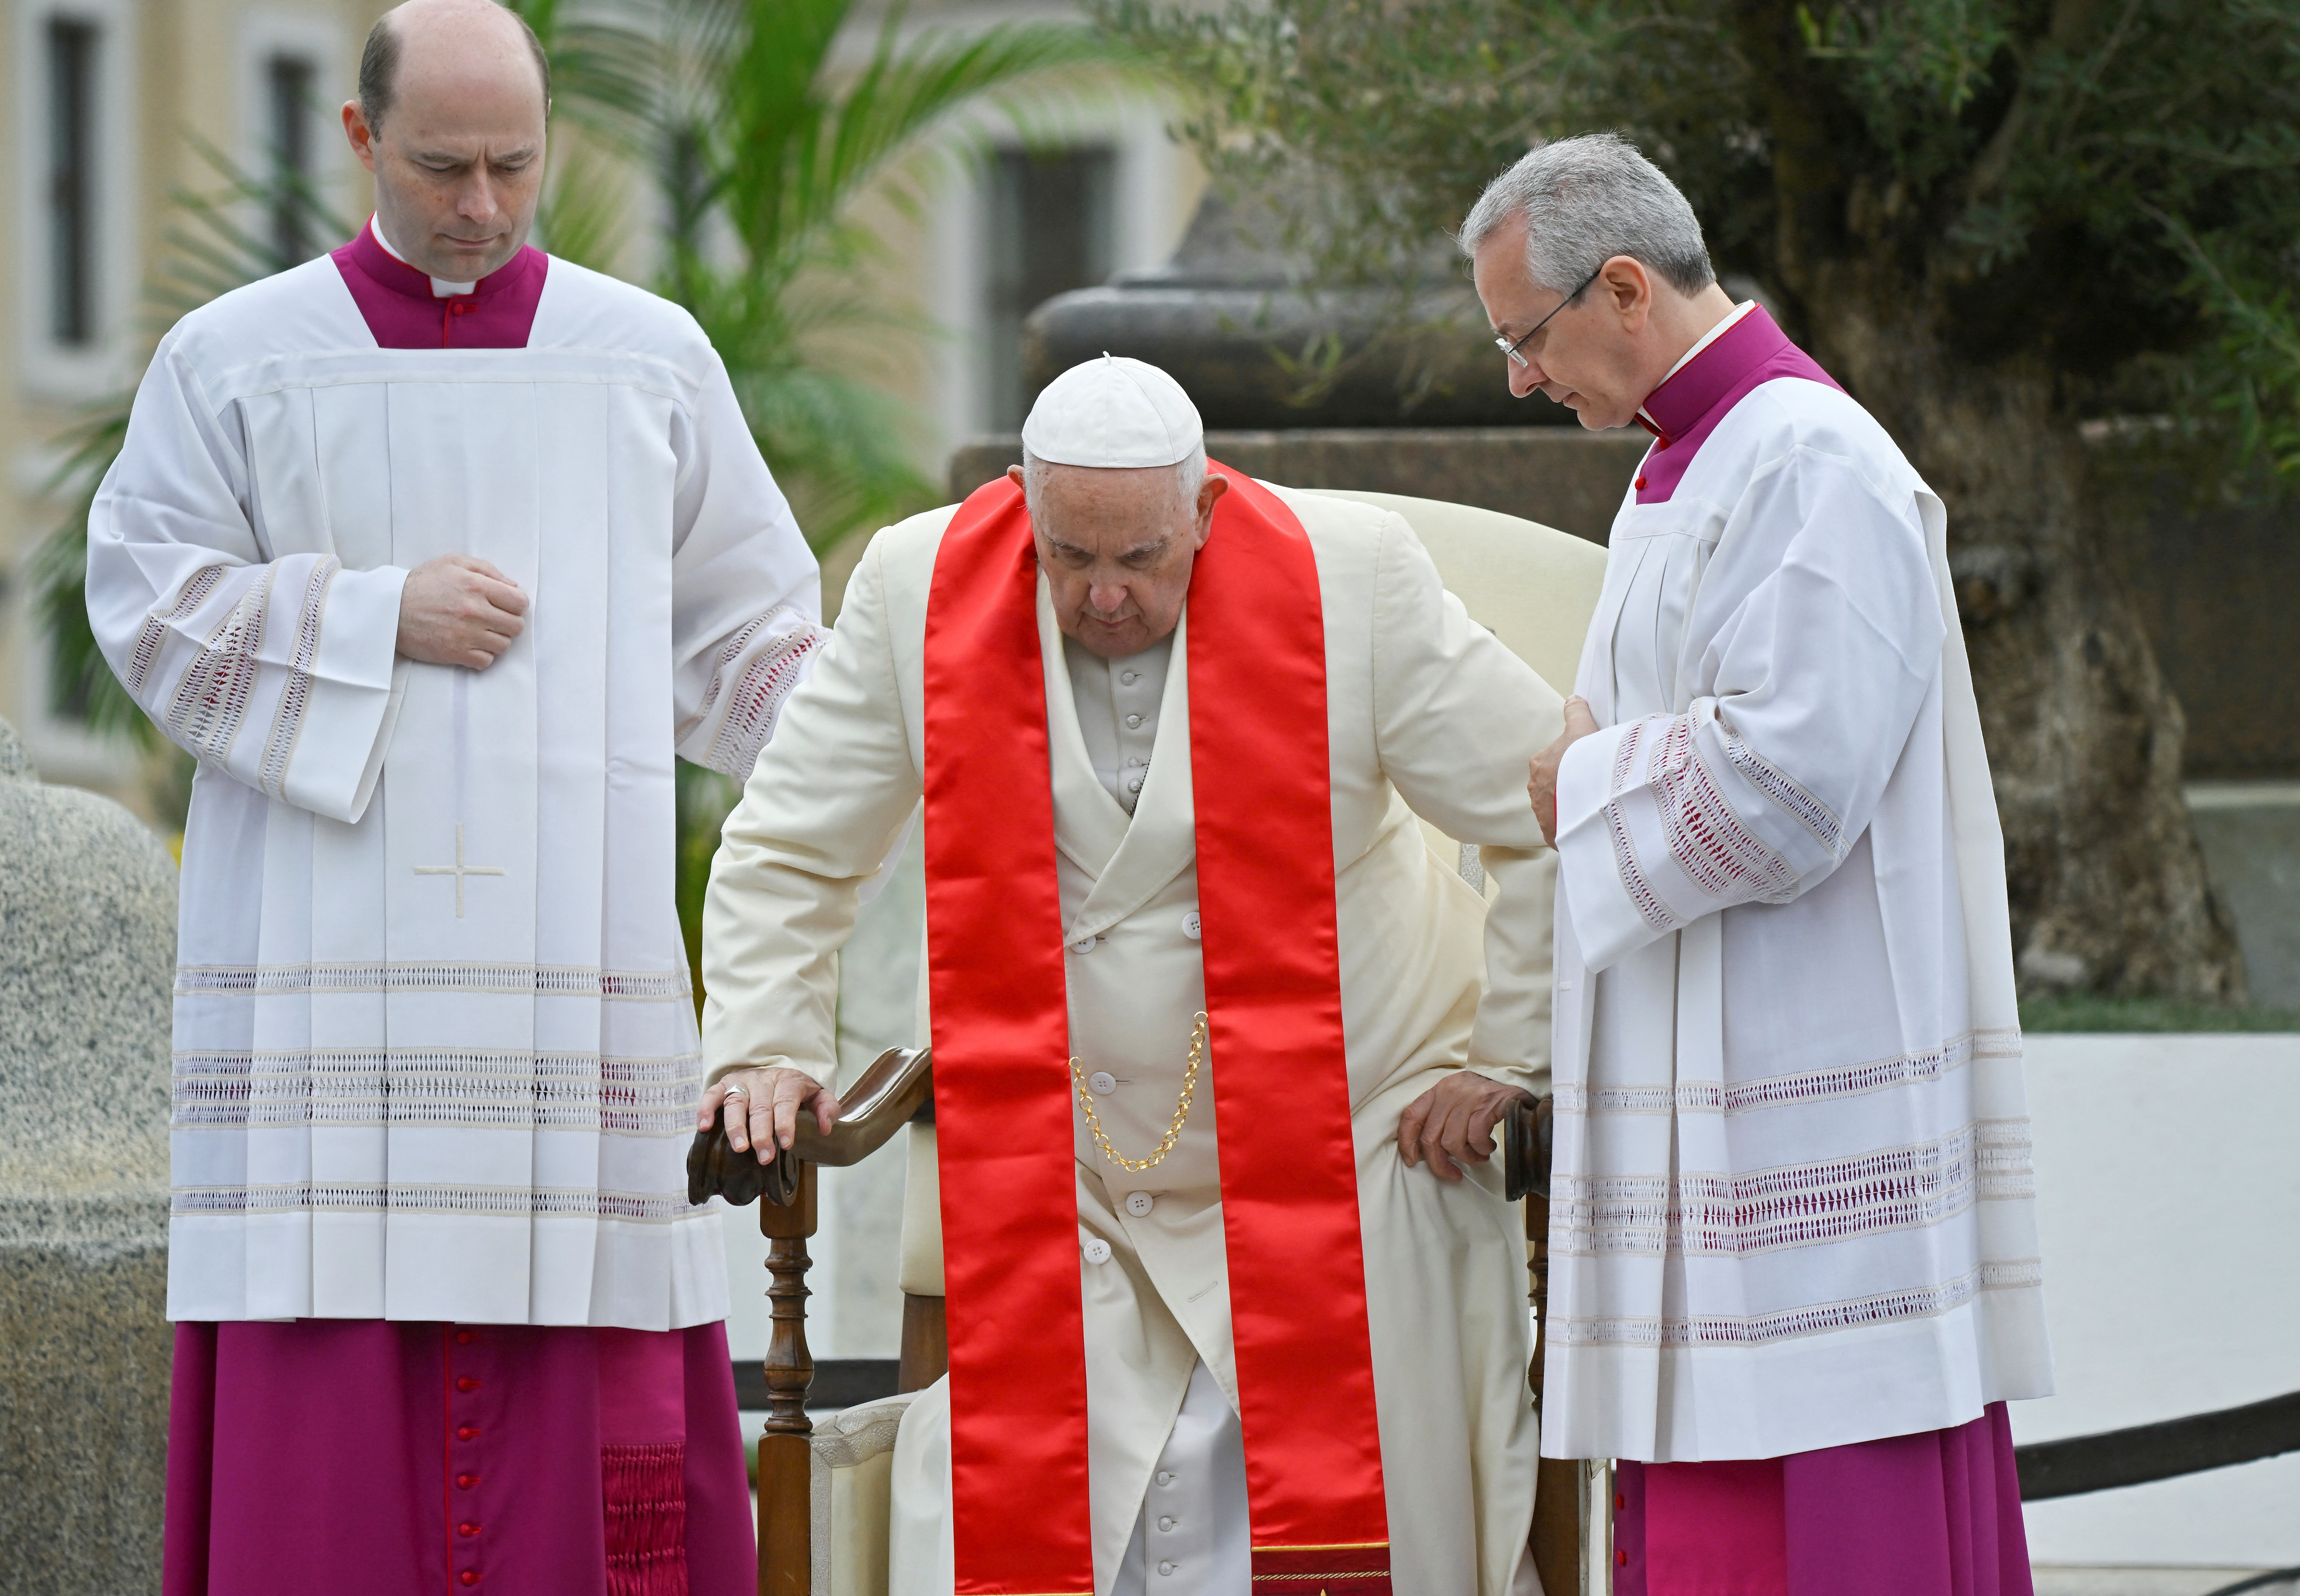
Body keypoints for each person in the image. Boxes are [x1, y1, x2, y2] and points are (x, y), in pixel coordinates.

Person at [86, 3, 822, 1590]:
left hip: (575, 983)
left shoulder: (647, 359)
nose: (480, 206)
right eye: (440, 167)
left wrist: (898, 726)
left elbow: (752, 629)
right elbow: (143, 605)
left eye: (513, 165)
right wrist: (370, 617)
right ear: (361, 143)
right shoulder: (234, 359)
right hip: (324, 999)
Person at [700, 355, 1564, 1596]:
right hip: (1069, 1170)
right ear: (1020, 503)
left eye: (1143, 558)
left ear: (1206, 509)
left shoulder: (1352, 578)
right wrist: (764, 1046)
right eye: (1068, 557)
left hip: (1350, 1146)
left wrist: (1508, 1053)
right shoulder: (915, 586)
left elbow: (1542, 802)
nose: (1104, 596)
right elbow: (791, 845)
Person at [1462, 133, 2055, 1595]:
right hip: (1702, 1111)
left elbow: (1796, 777)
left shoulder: (1812, 459)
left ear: (1619, 288)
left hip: (1800, 1112)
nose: (1520, 380)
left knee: (1825, 1518)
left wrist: (1578, 780)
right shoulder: (1687, 462)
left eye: (1524, 340)